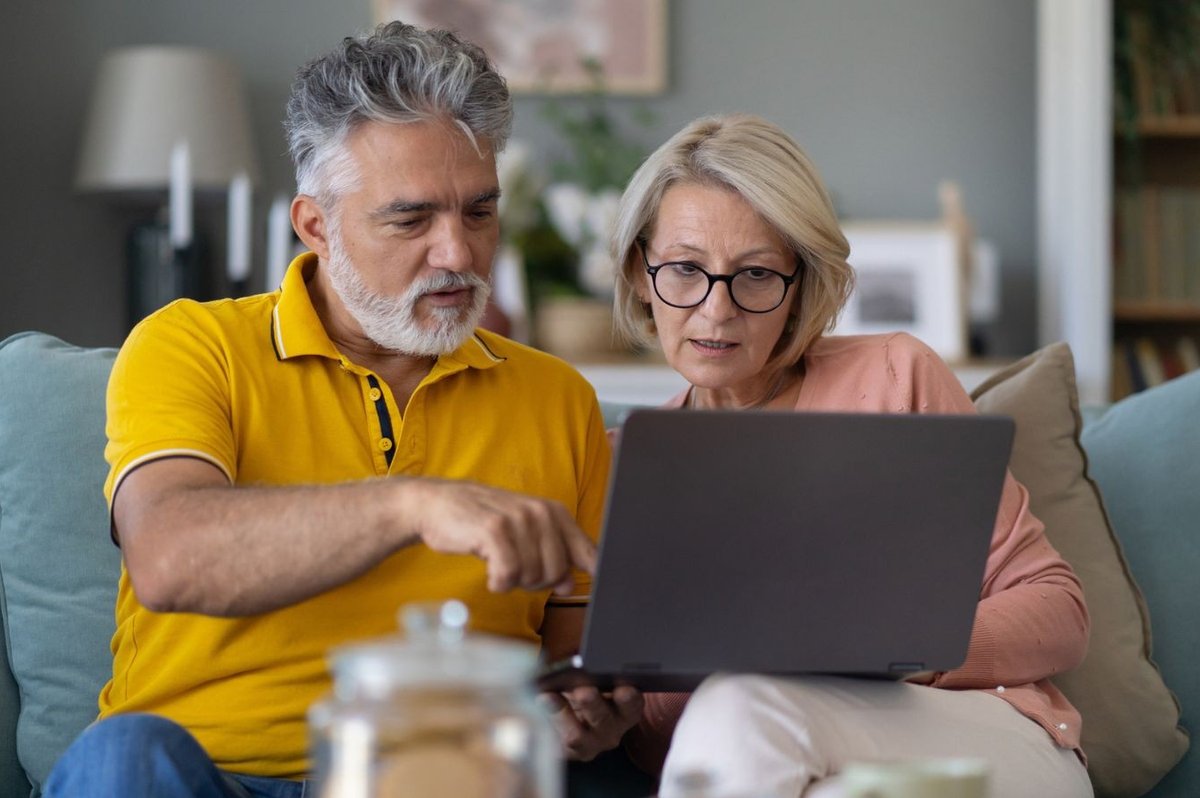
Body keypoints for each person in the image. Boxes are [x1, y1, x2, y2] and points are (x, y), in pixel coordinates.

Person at [45, 22, 643, 798]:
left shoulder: (555, 397)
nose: (458, 254)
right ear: (315, 226)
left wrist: (586, 715)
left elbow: (571, 655)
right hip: (212, 776)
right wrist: (412, 505)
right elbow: (168, 557)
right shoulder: (193, 345)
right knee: (123, 758)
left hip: (438, 776)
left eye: (479, 212)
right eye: (410, 218)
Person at [609, 114, 1093, 798]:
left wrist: (890, 649)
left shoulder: (896, 377)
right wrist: (624, 708)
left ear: (800, 282)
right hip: (784, 757)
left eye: (754, 275)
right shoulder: (630, 463)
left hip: (981, 731)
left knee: (744, 706)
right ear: (639, 270)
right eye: (685, 269)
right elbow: (672, 748)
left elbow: (1061, 612)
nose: (716, 312)